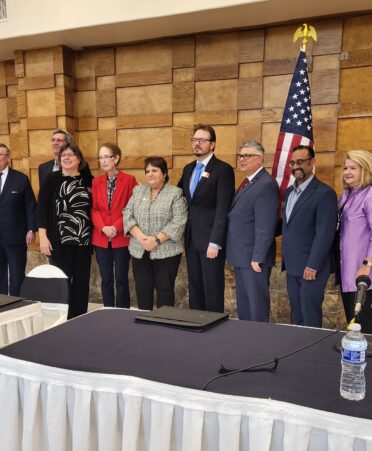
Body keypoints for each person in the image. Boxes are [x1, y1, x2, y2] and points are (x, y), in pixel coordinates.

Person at [178, 124, 235, 312]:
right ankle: (197, 326)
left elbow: (223, 208)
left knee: (212, 288)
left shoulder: (223, 170)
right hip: (191, 238)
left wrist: (216, 242)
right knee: (195, 287)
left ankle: (215, 330)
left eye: (202, 140)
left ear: (212, 145)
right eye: (195, 140)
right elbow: (177, 194)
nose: (197, 144)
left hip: (211, 241)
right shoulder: (188, 169)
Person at [281, 144, 338, 328]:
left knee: (310, 316)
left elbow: (324, 233)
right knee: (297, 315)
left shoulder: (324, 193)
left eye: (300, 162)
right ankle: (299, 353)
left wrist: (312, 265)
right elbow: (288, 226)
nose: (296, 166)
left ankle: (312, 355)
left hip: (311, 269)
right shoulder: (289, 192)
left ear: (312, 162)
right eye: (292, 163)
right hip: (292, 265)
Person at [37, 142, 93, 319]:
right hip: (58, 241)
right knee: (62, 282)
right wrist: (43, 237)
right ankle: (62, 318)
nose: (66, 158)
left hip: (83, 241)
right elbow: (42, 209)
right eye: (63, 155)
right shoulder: (52, 179)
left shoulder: (88, 180)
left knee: (81, 283)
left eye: (70, 155)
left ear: (79, 159)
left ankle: (79, 318)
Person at [124, 157, 187, 310]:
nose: (150, 174)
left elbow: (179, 221)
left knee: (164, 290)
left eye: (154, 170)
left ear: (164, 173)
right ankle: (145, 326)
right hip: (140, 250)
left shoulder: (175, 193)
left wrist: (156, 240)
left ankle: (164, 326)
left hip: (167, 252)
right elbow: (127, 213)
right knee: (142, 290)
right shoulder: (138, 190)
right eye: (147, 171)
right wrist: (140, 237)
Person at [226, 141, 278, 321]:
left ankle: (259, 343)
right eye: (240, 156)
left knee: (257, 306)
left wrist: (258, 256)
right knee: (244, 305)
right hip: (241, 255)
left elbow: (266, 225)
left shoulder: (266, 184)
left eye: (246, 156)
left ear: (259, 159)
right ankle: (247, 341)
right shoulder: (248, 182)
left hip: (254, 259)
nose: (241, 159)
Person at [91, 143, 137, 308]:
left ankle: (122, 311)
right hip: (101, 237)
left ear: (116, 158)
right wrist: (103, 227)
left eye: (107, 156)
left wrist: (116, 227)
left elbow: (131, 208)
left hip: (121, 238)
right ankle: (108, 310)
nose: (103, 161)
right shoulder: (96, 182)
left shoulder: (130, 180)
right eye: (100, 157)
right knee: (106, 279)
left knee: (122, 279)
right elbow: (94, 209)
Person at [336, 150, 372, 332]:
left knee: (364, 325)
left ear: (365, 170)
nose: (347, 172)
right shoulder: (346, 196)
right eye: (345, 168)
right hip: (347, 273)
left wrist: (367, 264)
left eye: (353, 168)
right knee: (354, 325)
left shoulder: (369, 195)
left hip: (364, 276)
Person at [0, 144, 36, 296]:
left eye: (0, 155)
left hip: (16, 237)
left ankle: (17, 307)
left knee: (17, 276)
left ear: (8, 157)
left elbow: (30, 206)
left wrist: (31, 229)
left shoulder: (20, 179)